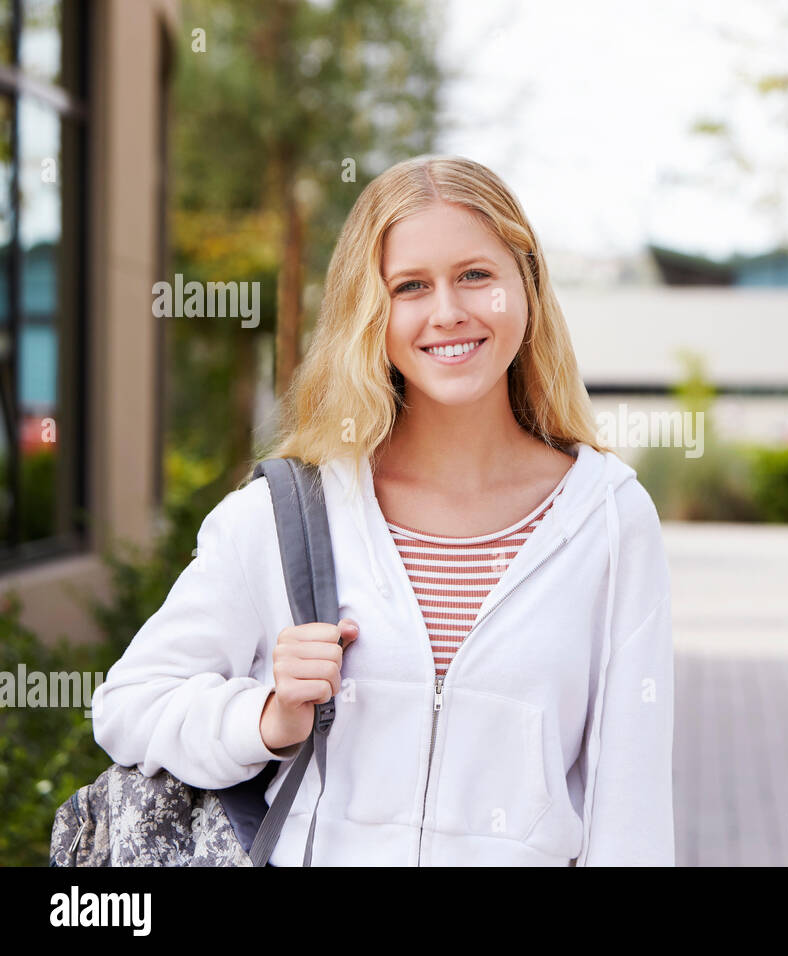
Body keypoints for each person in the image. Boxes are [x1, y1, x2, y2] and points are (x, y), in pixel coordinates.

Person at [91, 155, 675, 866]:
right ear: (370, 309)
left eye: (476, 275)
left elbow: (632, 808)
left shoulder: (609, 519)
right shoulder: (289, 512)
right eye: (410, 286)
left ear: (526, 284)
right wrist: (267, 718)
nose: (448, 311)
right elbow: (129, 706)